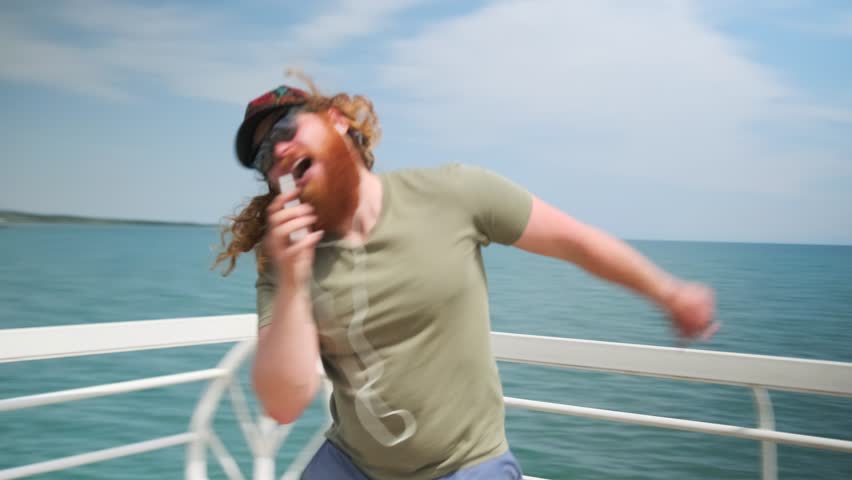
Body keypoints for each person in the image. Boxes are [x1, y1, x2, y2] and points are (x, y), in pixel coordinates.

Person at [215, 73, 718, 480]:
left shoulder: (454, 194)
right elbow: (283, 404)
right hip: (354, 466)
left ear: (338, 122)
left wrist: (668, 292)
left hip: (466, 466)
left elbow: (576, 242)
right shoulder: (280, 262)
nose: (276, 152)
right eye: (262, 157)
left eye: (285, 131)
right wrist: (295, 279)